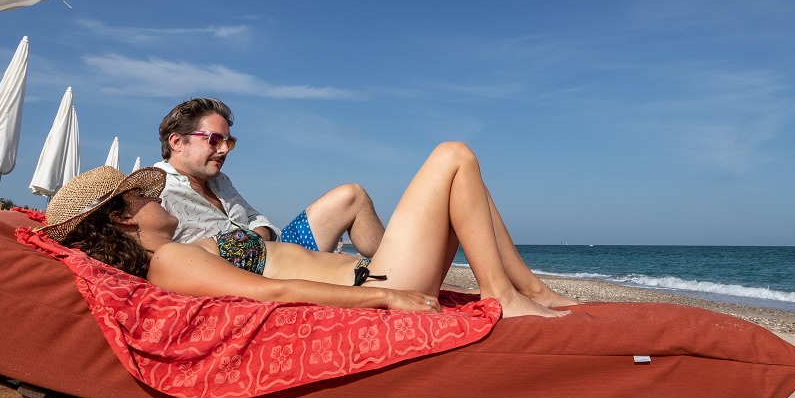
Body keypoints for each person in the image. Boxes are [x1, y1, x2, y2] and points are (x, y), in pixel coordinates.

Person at [41, 141, 580, 318]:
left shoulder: (179, 250)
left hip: (375, 274)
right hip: (371, 283)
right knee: (453, 156)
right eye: (145, 196)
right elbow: (273, 290)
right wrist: (386, 299)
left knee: (464, 180)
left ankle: (524, 288)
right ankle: (500, 294)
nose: (157, 196)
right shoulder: (169, 260)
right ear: (122, 217)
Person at [153, 98, 384, 257]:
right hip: (258, 274)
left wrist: (259, 235)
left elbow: (260, 220)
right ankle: (398, 275)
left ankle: (396, 266)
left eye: (229, 142)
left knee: (352, 195)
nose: (224, 150)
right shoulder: (154, 191)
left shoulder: (220, 181)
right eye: (214, 139)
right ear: (176, 142)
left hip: (280, 251)